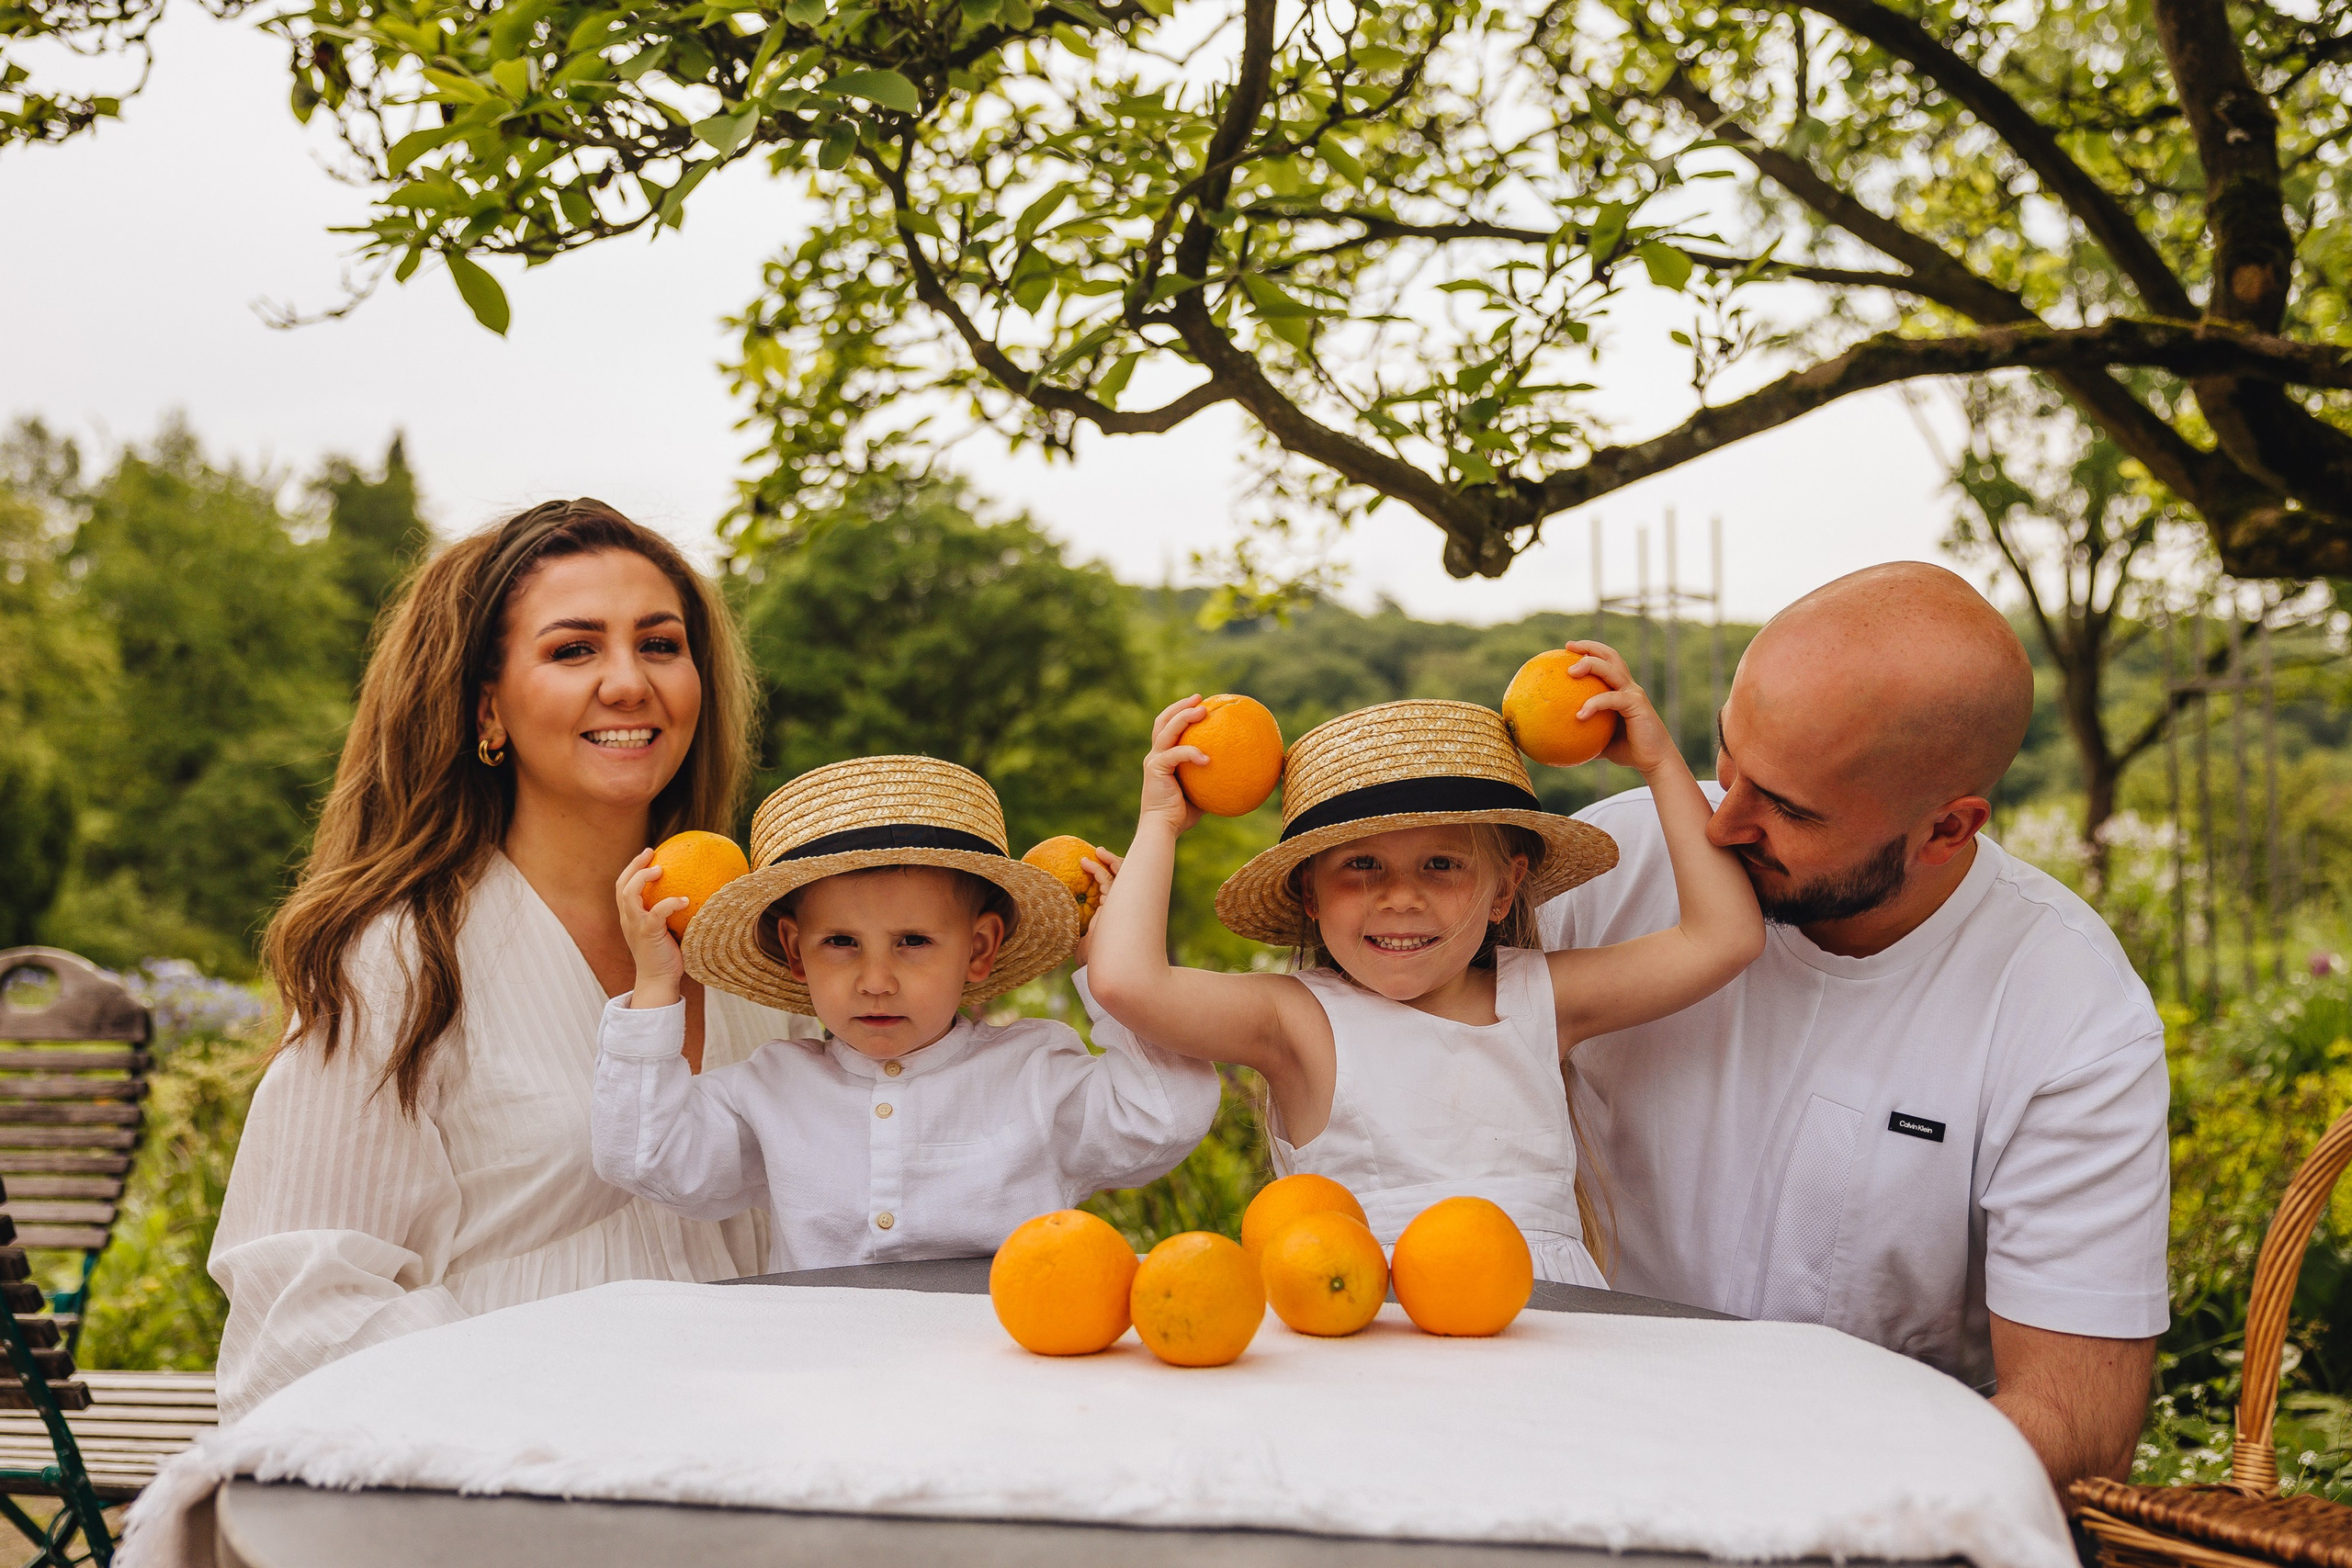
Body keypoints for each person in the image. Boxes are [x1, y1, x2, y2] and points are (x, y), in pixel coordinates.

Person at [1539, 562, 2168, 1492]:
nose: (1722, 824)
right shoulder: (1602, 871)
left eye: (1788, 808)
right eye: (1727, 759)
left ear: (1946, 830)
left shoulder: (2069, 1011)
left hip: (1875, 1511)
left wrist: (1797, 1497)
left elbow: (2077, 1423)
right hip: (1570, 1458)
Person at [211, 499, 821, 1422]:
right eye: (574, 649)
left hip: (745, 1453)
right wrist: (540, 1411)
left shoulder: (760, 947)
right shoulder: (401, 957)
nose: (628, 682)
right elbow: (302, 1316)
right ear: (488, 704)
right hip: (510, 1472)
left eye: (660, 644)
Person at [1087, 645, 1764, 1284]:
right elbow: (1126, 981)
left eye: (1441, 864)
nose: (1400, 896)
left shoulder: (1538, 998)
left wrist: (1658, 760)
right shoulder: (1295, 1019)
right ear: (1309, 895)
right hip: (1364, 1326)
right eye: (1361, 864)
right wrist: (1159, 821)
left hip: (1544, 1330)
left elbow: (1724, 935)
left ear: (1504, 889)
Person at [591, 755, 1220, 1263]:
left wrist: (1109, 965)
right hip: (827, 1378)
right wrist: (655, 982)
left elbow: (1164, 1115)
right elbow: (645, 1155)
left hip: (1003, 1363)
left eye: (913, 942)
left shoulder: (1034, 1070)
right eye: (840, 942)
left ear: (979, 949)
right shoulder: (773, 1087)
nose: (876, 980)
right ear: (795, 951)